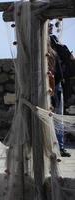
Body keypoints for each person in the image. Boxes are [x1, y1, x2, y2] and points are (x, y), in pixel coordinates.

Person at [48, 21, 74, 157]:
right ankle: (58, 147)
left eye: (52, 24)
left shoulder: (52, 40)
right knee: (56, 115)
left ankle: (58, 146)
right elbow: (65, 54)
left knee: (55, 115)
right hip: (50, 82)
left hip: (53, 81)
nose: (51, 26)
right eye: (48, 24)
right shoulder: (50, 40)